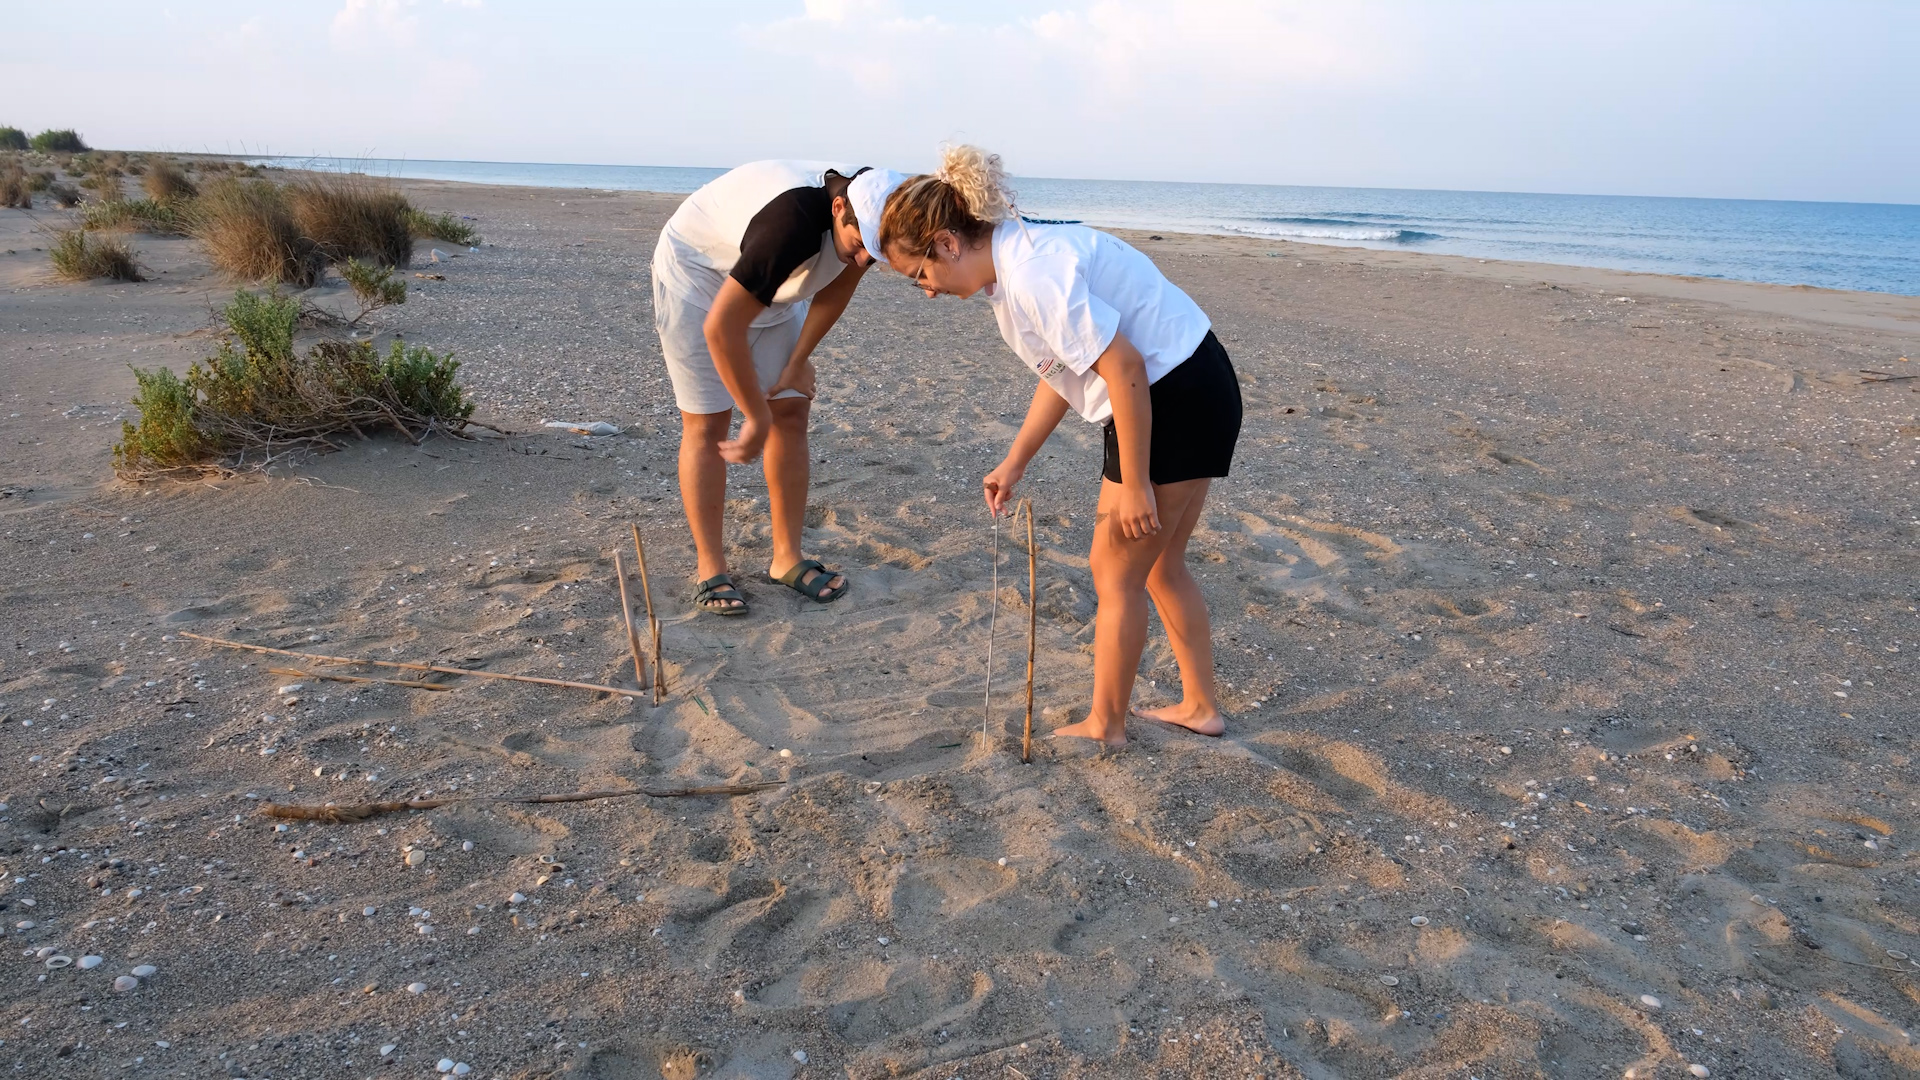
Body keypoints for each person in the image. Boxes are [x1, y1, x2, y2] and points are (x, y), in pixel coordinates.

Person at [878, 146, 1241, 745]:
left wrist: (1135, 482)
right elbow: (1065, 370)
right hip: (1197, 380)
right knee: (1158, 564)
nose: (927, 290)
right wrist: (1014, 461)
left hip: (1167, 395)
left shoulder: (1032, 274)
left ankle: (1107, 725)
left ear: (945, 242)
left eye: (920, 273)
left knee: (1114, 571)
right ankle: (1200, 707)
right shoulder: (1013, 258)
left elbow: (1122, 367)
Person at [651, 161, 906, 615]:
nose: (866, 258)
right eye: (861, 245)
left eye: (876, 251)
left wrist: (798, 360)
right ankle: (710, 567)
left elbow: (834, 290)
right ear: (838, 206)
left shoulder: (871, 220)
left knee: (792, 410)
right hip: (699, 279)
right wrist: (755, 414)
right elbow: (721, 327)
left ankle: (786, 557)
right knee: (710, 424)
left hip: (773, 284)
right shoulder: (791, 225)